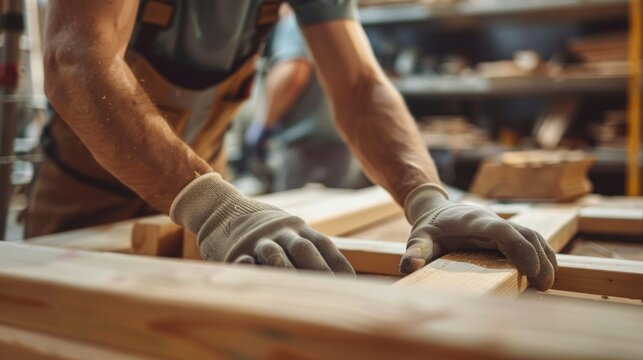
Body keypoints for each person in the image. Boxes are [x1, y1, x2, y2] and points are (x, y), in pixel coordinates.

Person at [28, 0, 556, 290]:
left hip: (205, 190)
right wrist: (215, 209)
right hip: (88, 196)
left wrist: (426, 198)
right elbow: (77, 60)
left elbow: (359, 87)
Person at [242, 8, 369, 191]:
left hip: (306, 148)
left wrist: (264, 124)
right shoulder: (341, 20)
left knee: (299, 214)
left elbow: (293, 73)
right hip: (343, 145)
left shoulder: (297, 19)